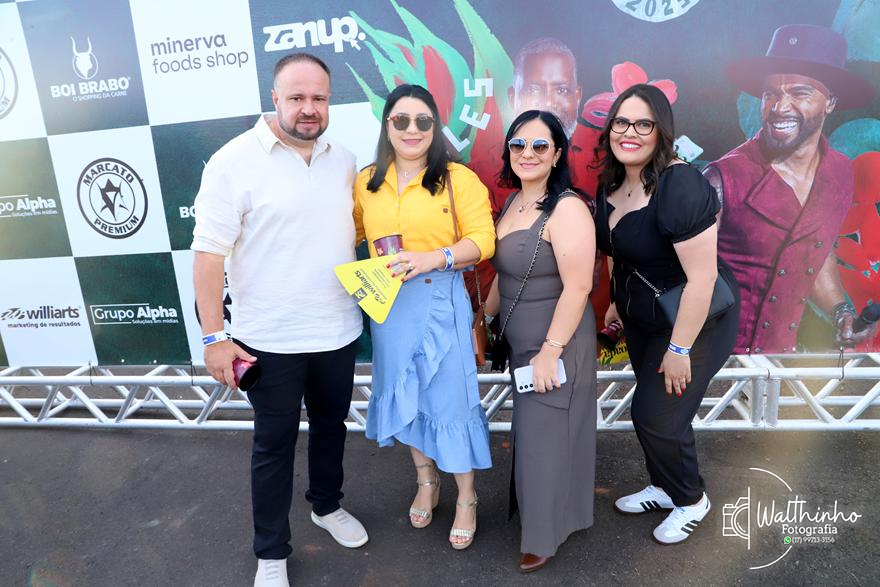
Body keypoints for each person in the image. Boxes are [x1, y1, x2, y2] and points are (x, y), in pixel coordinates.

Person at [192, 53, 367, 587]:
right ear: (275, 99)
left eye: (319, 98)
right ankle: (271, 553)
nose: (308, 108)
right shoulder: (232, 162)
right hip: (267, 340)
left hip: (337, 330)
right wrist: (214, 337)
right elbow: (208, 256)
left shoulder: (344, 159)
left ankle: (326, 505)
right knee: (273, 445)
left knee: (332, 427)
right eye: (297, 98)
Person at [594, 84, 740, 544]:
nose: (630, 132)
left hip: (696, 321)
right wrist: (616, 299)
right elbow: (616, 249)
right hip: (644, 318)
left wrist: (680, 349)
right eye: (622, 122)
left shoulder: (680, 184)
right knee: (660, 415)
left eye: (644, 124)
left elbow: (703, 278)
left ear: (662, 131)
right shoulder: (612, 182)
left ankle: (692, 499)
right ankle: (663, 486)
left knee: (657, 416)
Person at [354, 84, 496, 550]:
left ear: (435, 127)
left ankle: (467, 497)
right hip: (390, 309)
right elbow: (349, 233)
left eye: (422, 120)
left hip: (441, 301)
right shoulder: (366, 181)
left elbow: (483, 241)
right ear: (387, 125)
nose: (411, 129)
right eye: (401, 120)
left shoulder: (458, 179)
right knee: (406, 397)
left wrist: (434, 258)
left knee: (452, 402)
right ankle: (426, 481)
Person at [704, 24, 876, 353]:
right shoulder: (721, 180)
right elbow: (678, 280)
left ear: (830, 102)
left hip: (782, 365)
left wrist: (842, 313)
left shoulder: (839, 172)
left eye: (799, 93)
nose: (780, 107)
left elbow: (815, 253)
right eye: (770, 94)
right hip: (712, 366)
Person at [485, 110, 597, 572]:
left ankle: (544, 535)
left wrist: (551, 351)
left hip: (557, 344)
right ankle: (544, 517)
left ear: (556, 155)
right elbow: (506, 271)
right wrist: (484, 317)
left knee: (545, 438)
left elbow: (579, 286)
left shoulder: (567, 208)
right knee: (535, 434)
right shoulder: (513, 202)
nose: (527, 153)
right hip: (522, 344)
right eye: (518, 145)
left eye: (539, 145)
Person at [466, 37, 610, 332]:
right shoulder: (482, 172)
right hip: (517, 326)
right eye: (534, 89)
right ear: (513, 96)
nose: (549, 100)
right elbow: (480, 268)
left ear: (578, 96)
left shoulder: (606, 161)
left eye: (562, 89)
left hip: (592, 330)